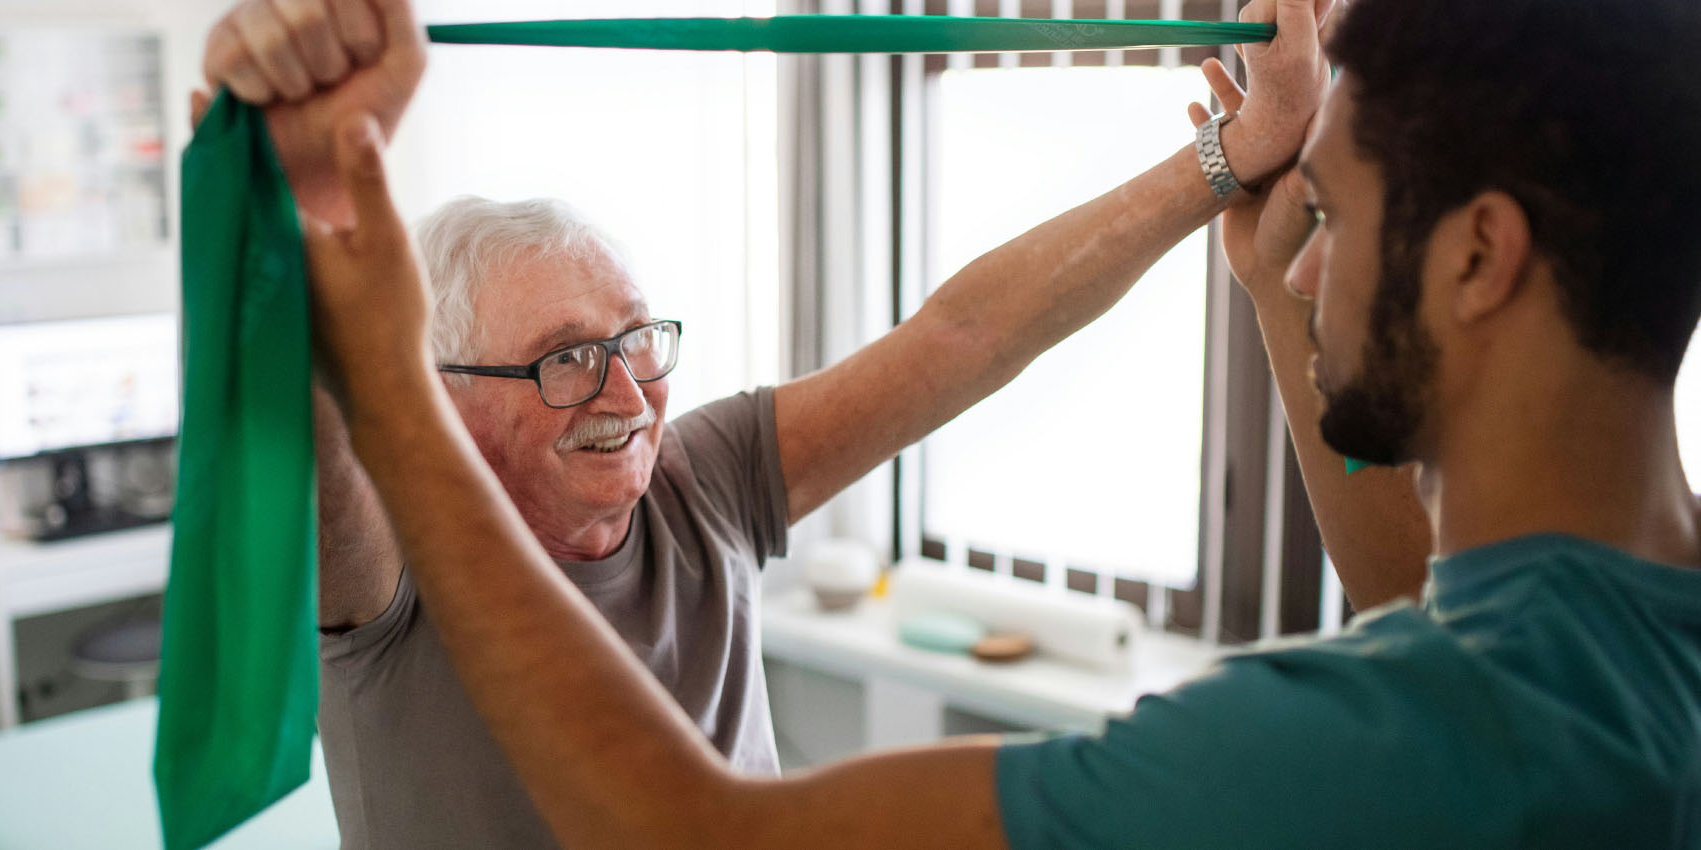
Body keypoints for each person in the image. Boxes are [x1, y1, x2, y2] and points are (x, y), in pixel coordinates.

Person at [293, 0, 1701, 846]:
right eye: (560, 360)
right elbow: (1416, 598)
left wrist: (373, 343)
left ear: (1481, 257)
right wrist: (1253, 221)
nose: (623, 389)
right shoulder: (1587, 671)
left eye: (1331, 213)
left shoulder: (1350, 734)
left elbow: (695, 834)